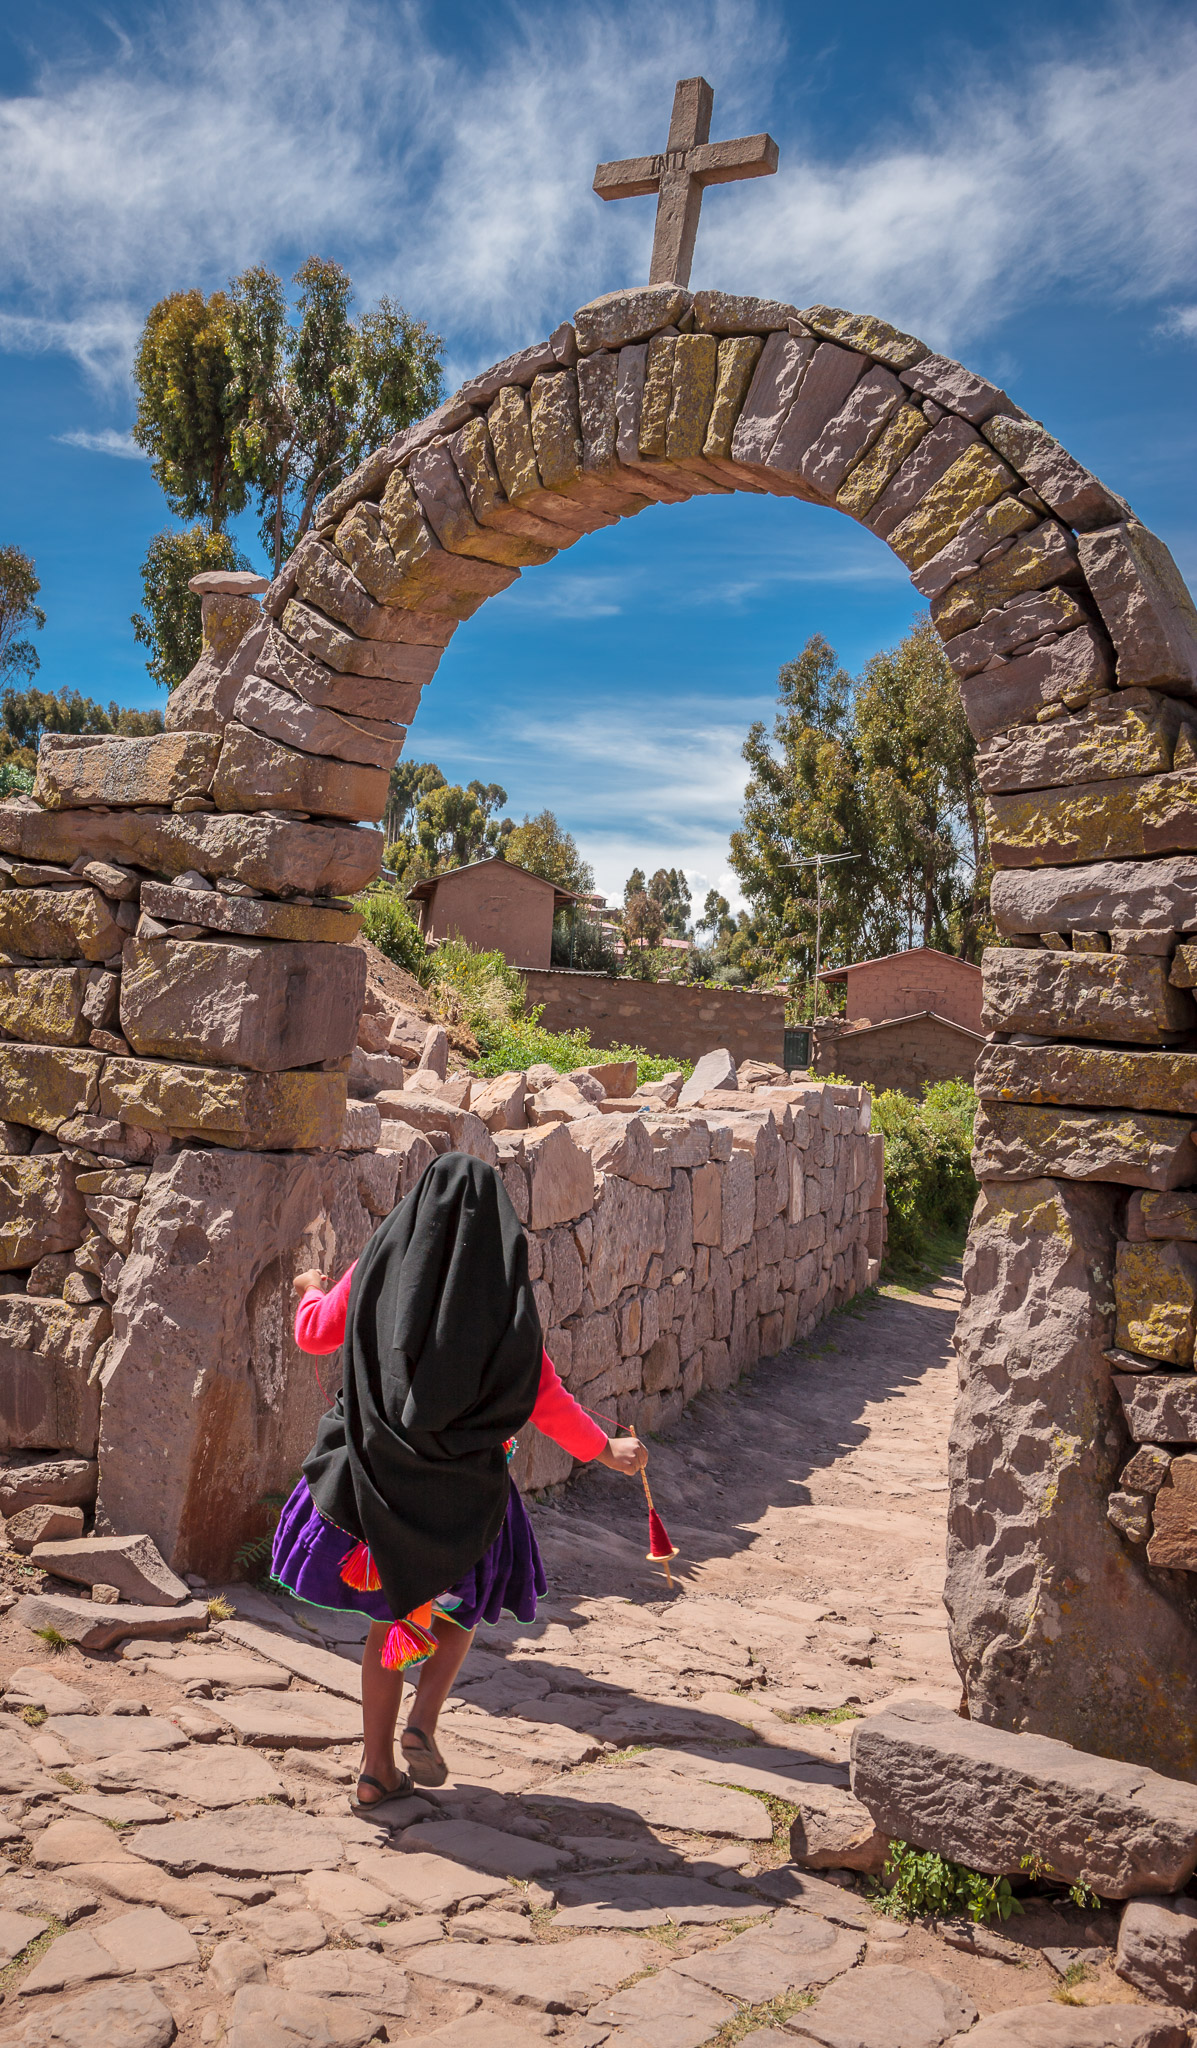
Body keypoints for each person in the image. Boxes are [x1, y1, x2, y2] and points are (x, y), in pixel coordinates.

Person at [271, 1151, 647, 1809]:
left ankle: (375, 1768)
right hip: (464, 1501)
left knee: (389, 1621)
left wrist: (309, 1289)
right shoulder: (500, 1301)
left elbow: (314, 1336)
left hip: (373, 1487)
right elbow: (544, 1397)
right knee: (459, 1612)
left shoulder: (376, 1266)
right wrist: (606, 1450)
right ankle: (424, 1721)